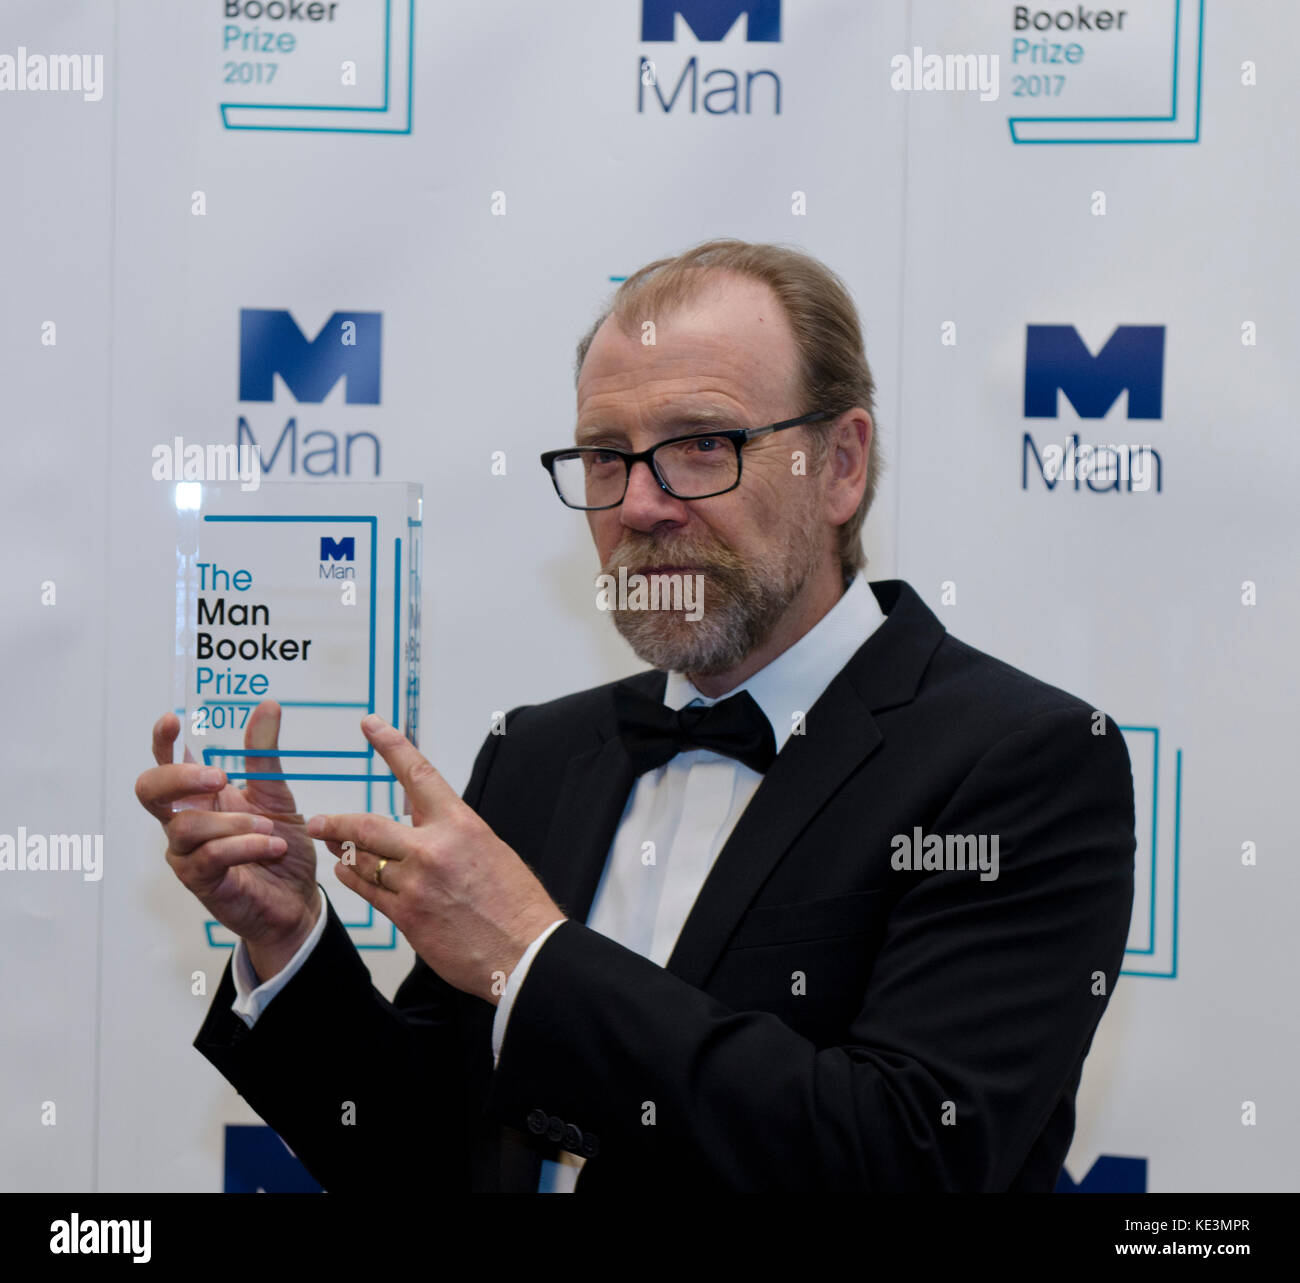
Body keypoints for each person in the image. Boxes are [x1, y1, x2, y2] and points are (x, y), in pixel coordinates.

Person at [135, 239, 1136, 1192]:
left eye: (702, 445)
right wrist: (289, 937)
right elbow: (425, 1155)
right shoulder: (538, 752)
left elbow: (907, 1155)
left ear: (840, 464)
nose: (641, 504)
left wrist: (532, 953)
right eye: (607, 456)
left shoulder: (1018, 762)